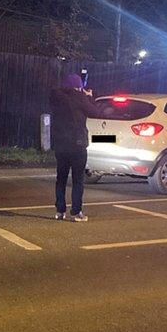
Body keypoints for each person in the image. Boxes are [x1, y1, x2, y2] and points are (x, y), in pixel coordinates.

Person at [49, 73, 103, 221]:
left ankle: (60, 211)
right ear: (78, 86)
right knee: (77, 180)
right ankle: (76, 211)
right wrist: (89, 97)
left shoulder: (56, 98)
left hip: (61, 144)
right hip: (77, 144)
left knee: (61, 178)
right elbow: (95, 112)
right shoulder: (80, 98)